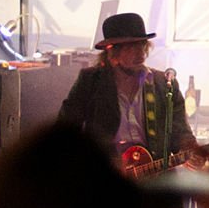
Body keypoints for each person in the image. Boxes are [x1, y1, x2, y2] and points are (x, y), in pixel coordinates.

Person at [59, 11, 197, 175]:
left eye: (141, 45)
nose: (140, 53)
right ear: (112, 53)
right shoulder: (91, 81)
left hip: (156, 181)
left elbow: (180, 131)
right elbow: (64, 131)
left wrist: (189, 149)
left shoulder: (164, 84)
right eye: (131, 47)